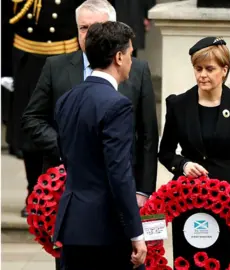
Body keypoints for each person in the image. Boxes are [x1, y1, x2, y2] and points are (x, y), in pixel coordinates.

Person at [21, 0, 158, 208]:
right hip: (66, 184)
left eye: (97, 29)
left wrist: (144, 190)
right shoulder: (55, 67)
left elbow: (148, 134)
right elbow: (32, 119)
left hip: (119, 184)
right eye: (83, 28)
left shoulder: (137, 71)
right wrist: (64, 146)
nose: (89, 35)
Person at [53, 21, 147, 270]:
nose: (131, 59)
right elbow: (119, 173)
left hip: (73, 224)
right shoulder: (118, 104)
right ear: (118, 56)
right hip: (105, 230)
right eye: (129, 52)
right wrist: (136, 234)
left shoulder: (66, 99)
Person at [157, 36, 230, 267]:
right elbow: (165, 151)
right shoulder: (178, 104)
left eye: (210, 69)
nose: (202, 74)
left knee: (227, 260)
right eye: (198, 68)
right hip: (187, 197)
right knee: (189, 260)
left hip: (229, 199)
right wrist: (183, 165)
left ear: (224, 70)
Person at [7, 0, 83, 217]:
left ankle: (61, 192)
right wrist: (5, 68)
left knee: (66, 129)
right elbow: (6, 22)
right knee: (30, 134)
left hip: (66, 58)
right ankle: (34, 192)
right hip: (28, 61)